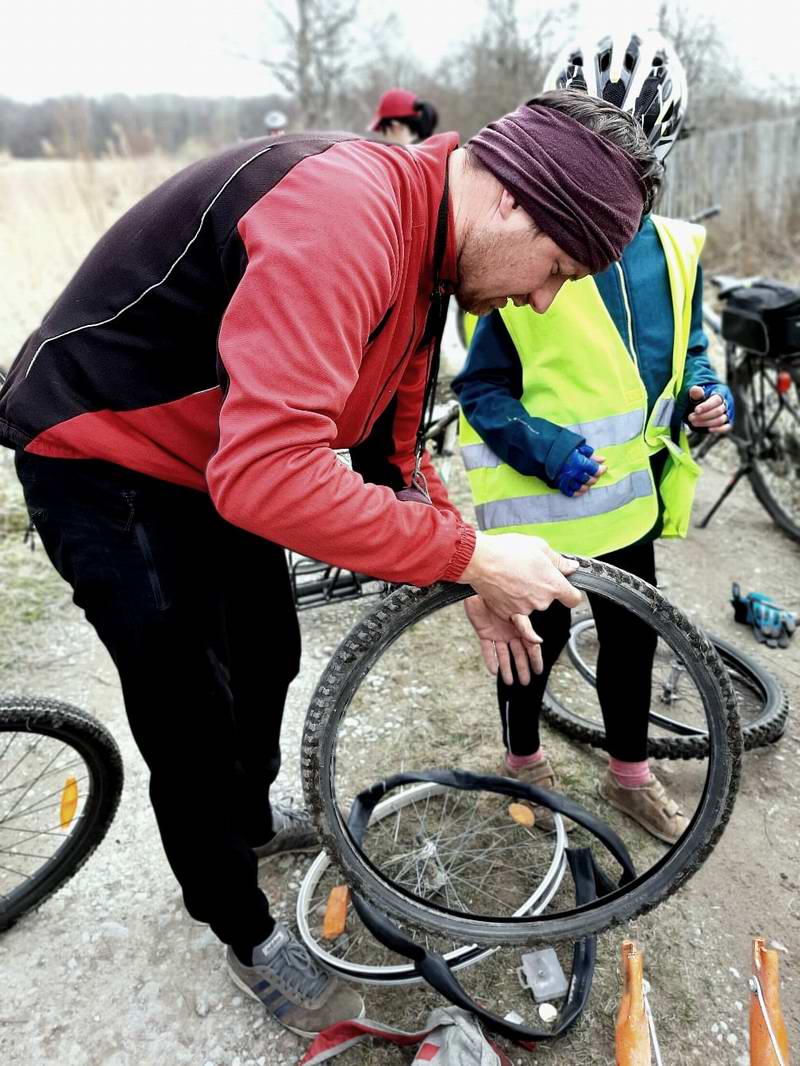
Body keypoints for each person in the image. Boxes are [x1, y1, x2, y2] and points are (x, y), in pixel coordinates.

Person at [0, 91, 660, 1037]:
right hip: (102, 453)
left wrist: (462, 575)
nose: (544, 297)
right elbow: (269, 475)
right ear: (512, 200)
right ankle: (237, 921)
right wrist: (472, 550)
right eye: (558, 267)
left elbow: (389, 459)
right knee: (189, 698)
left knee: (266, 648)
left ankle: (249, 820)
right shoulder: (348, 213)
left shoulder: (429, 252)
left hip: (208, 460)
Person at [454, 32, 734, 845]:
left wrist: (707, 396)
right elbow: (480, 388)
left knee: (632, 645)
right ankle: (525, 767)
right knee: (526, 649)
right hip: (542, 513)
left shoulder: (677, 252)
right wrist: (544, 448)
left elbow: (690, 356)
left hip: (632, 505)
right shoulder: (527, 252)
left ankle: (629, 777)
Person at [368, 87, 438, 144]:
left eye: (383, 130)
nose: (383, 137)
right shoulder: (437, 151)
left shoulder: (404, 159)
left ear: (395, 126)